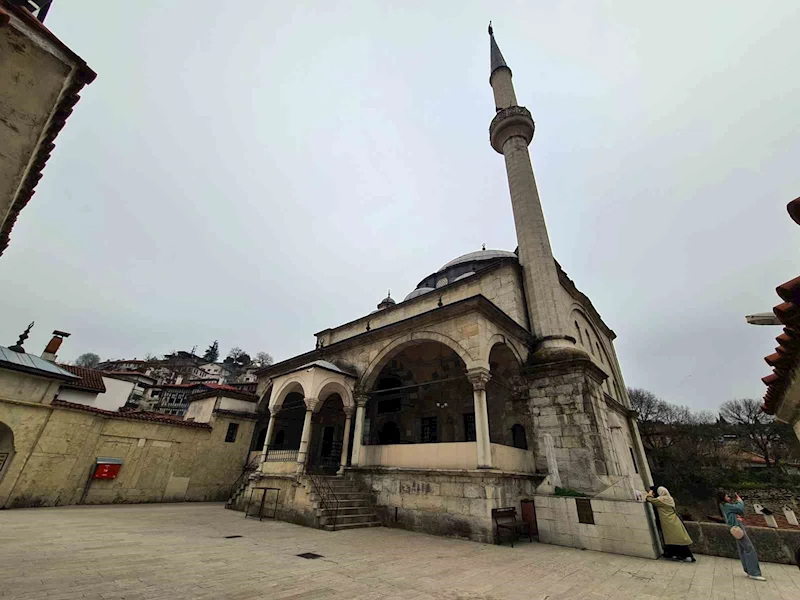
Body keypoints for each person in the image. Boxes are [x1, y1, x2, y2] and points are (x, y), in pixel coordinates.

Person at [717, 490, 765, 581]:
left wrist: (736, 517)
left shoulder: (723, 506)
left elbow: (733, 513)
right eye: (727, 496)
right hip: (737, 528)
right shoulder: (726, 505)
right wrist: (740, 501)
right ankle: (754, 572)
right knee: (749, 548)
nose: (729, 498)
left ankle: (748, 569)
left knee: (742, 549)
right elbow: (740, 508)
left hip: (735, 527)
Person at [646, 487, 696, 562]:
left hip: (668, 521)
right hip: (674, 520)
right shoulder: (669, 499)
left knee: (674, 539)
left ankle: (682, 555)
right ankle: (675, 554)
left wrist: (649, 494)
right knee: (676, 539)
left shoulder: (662, 500)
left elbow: (649, 499)